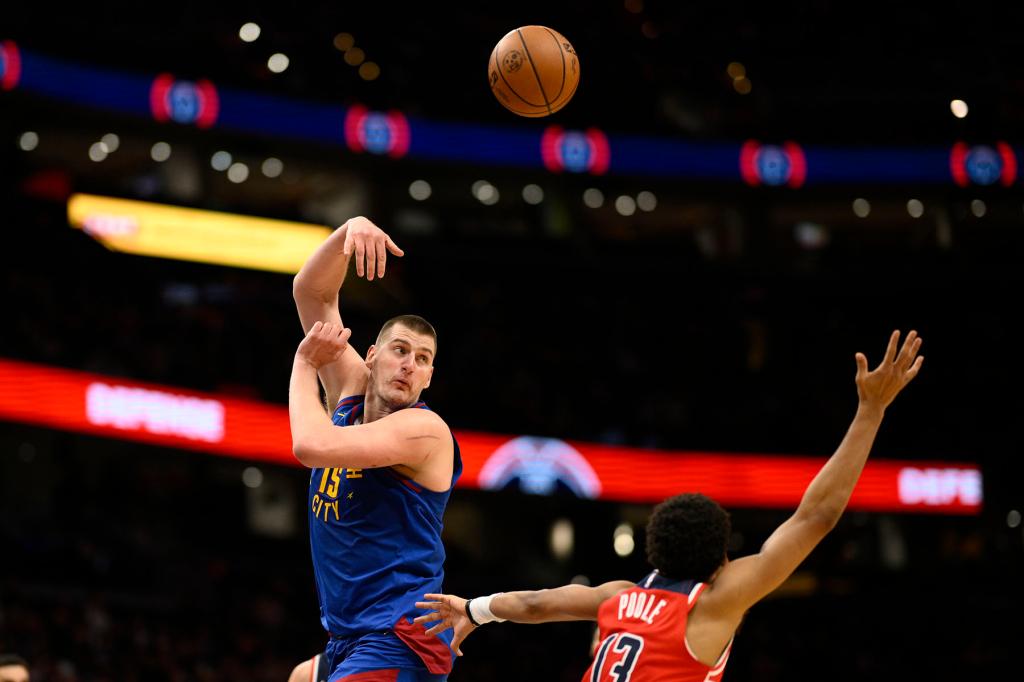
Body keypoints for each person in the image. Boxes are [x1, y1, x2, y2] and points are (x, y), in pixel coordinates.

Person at [415, 330, 924, 681]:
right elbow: (817, 516)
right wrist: (870, 411)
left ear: (656, 551)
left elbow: (534, 604)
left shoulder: (617, 596)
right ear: (722, 560)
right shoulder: (711, 605)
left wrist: (473, 609)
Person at [289, 216, 462, 681]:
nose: (409, 365)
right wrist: (348, 231)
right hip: (348, 637)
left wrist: (305, 363)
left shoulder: (424, 432)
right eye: (400, 350)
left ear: (429, 378)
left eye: (423, 360)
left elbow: (310, 445)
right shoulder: (350, 385)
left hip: (400, 638)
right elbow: (312, 294)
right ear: (370, 355)